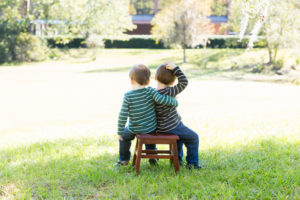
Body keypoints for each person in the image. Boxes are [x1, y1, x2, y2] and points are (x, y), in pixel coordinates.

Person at [114, 64, 178, 166]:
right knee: (149, 137)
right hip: (150, 127)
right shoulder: (151, 91)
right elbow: (162, 99)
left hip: (134, 128)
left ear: (131, 80)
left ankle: (124, 159)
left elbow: (122, 115)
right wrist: (174, 101)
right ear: (148, 82)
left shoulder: (128, 96)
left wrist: (120, 131)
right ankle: (153, 157)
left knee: (124, 138)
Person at [154, 61, 201, 169]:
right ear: (172, 82)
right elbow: (184, 82)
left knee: (179, 137)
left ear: (155, 78)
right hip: (172, 126)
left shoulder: (152, 93)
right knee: (193, 137)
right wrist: (176, 69)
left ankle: (177, 160)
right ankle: (193, 164)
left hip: (158, 127)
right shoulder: (171, 91)